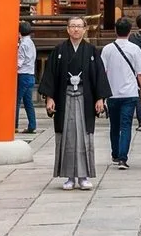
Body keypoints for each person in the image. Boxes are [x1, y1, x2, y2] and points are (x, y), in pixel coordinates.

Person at [37, 15, 110, 190]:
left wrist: (100, 98)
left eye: (79, 26)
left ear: (85, 29)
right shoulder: (59, 50)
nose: (76, 29)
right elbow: (50, 76)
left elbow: (99, 75)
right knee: (67, 136)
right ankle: (69, 176)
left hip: (85, 98)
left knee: (84, 136)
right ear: (68, 29)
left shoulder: (91, 51)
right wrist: (49, 98)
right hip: (65, 98)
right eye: (73, 26)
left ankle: (84, 177)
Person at [101, 17, 141, 170]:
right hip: (130, 92)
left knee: (114, 125)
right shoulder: (134, 49)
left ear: (115, 30)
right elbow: (140, 73)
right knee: (126, 125)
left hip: (112, 92)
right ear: (129, 31)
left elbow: (103, 71)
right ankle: (122, 158)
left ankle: (115, 153)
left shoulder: (107, 49)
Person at [17, 21, 37, 135]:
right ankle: (32, 125)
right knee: (28, 102)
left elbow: (19, 63)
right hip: (30, 74)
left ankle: (14, 125)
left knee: (17, 101)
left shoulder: (23, 45)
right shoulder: (31, 43)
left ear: (19, 32)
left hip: (23, 75)